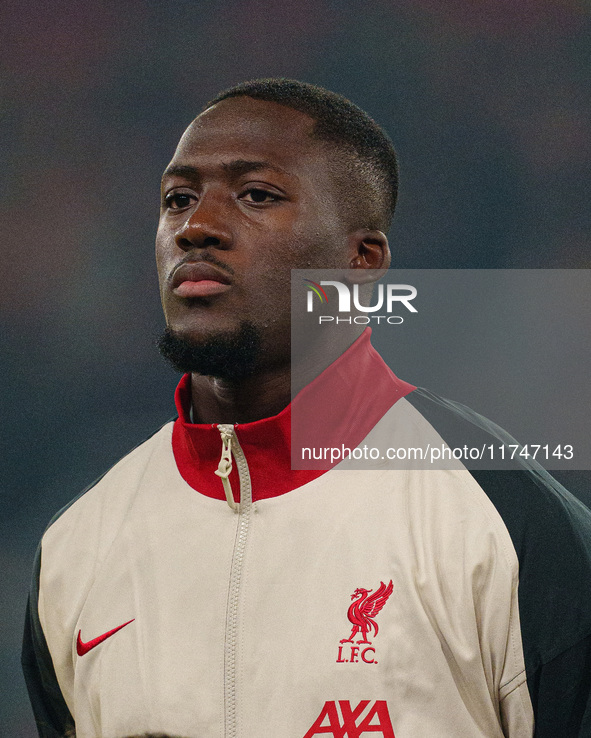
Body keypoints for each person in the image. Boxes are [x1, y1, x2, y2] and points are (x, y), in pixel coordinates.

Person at [22, 79, 591, 738]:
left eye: (256, 195)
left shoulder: (508, 530)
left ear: (360, 261)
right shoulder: (77, 549)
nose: (195, 227)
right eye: (178, 200)